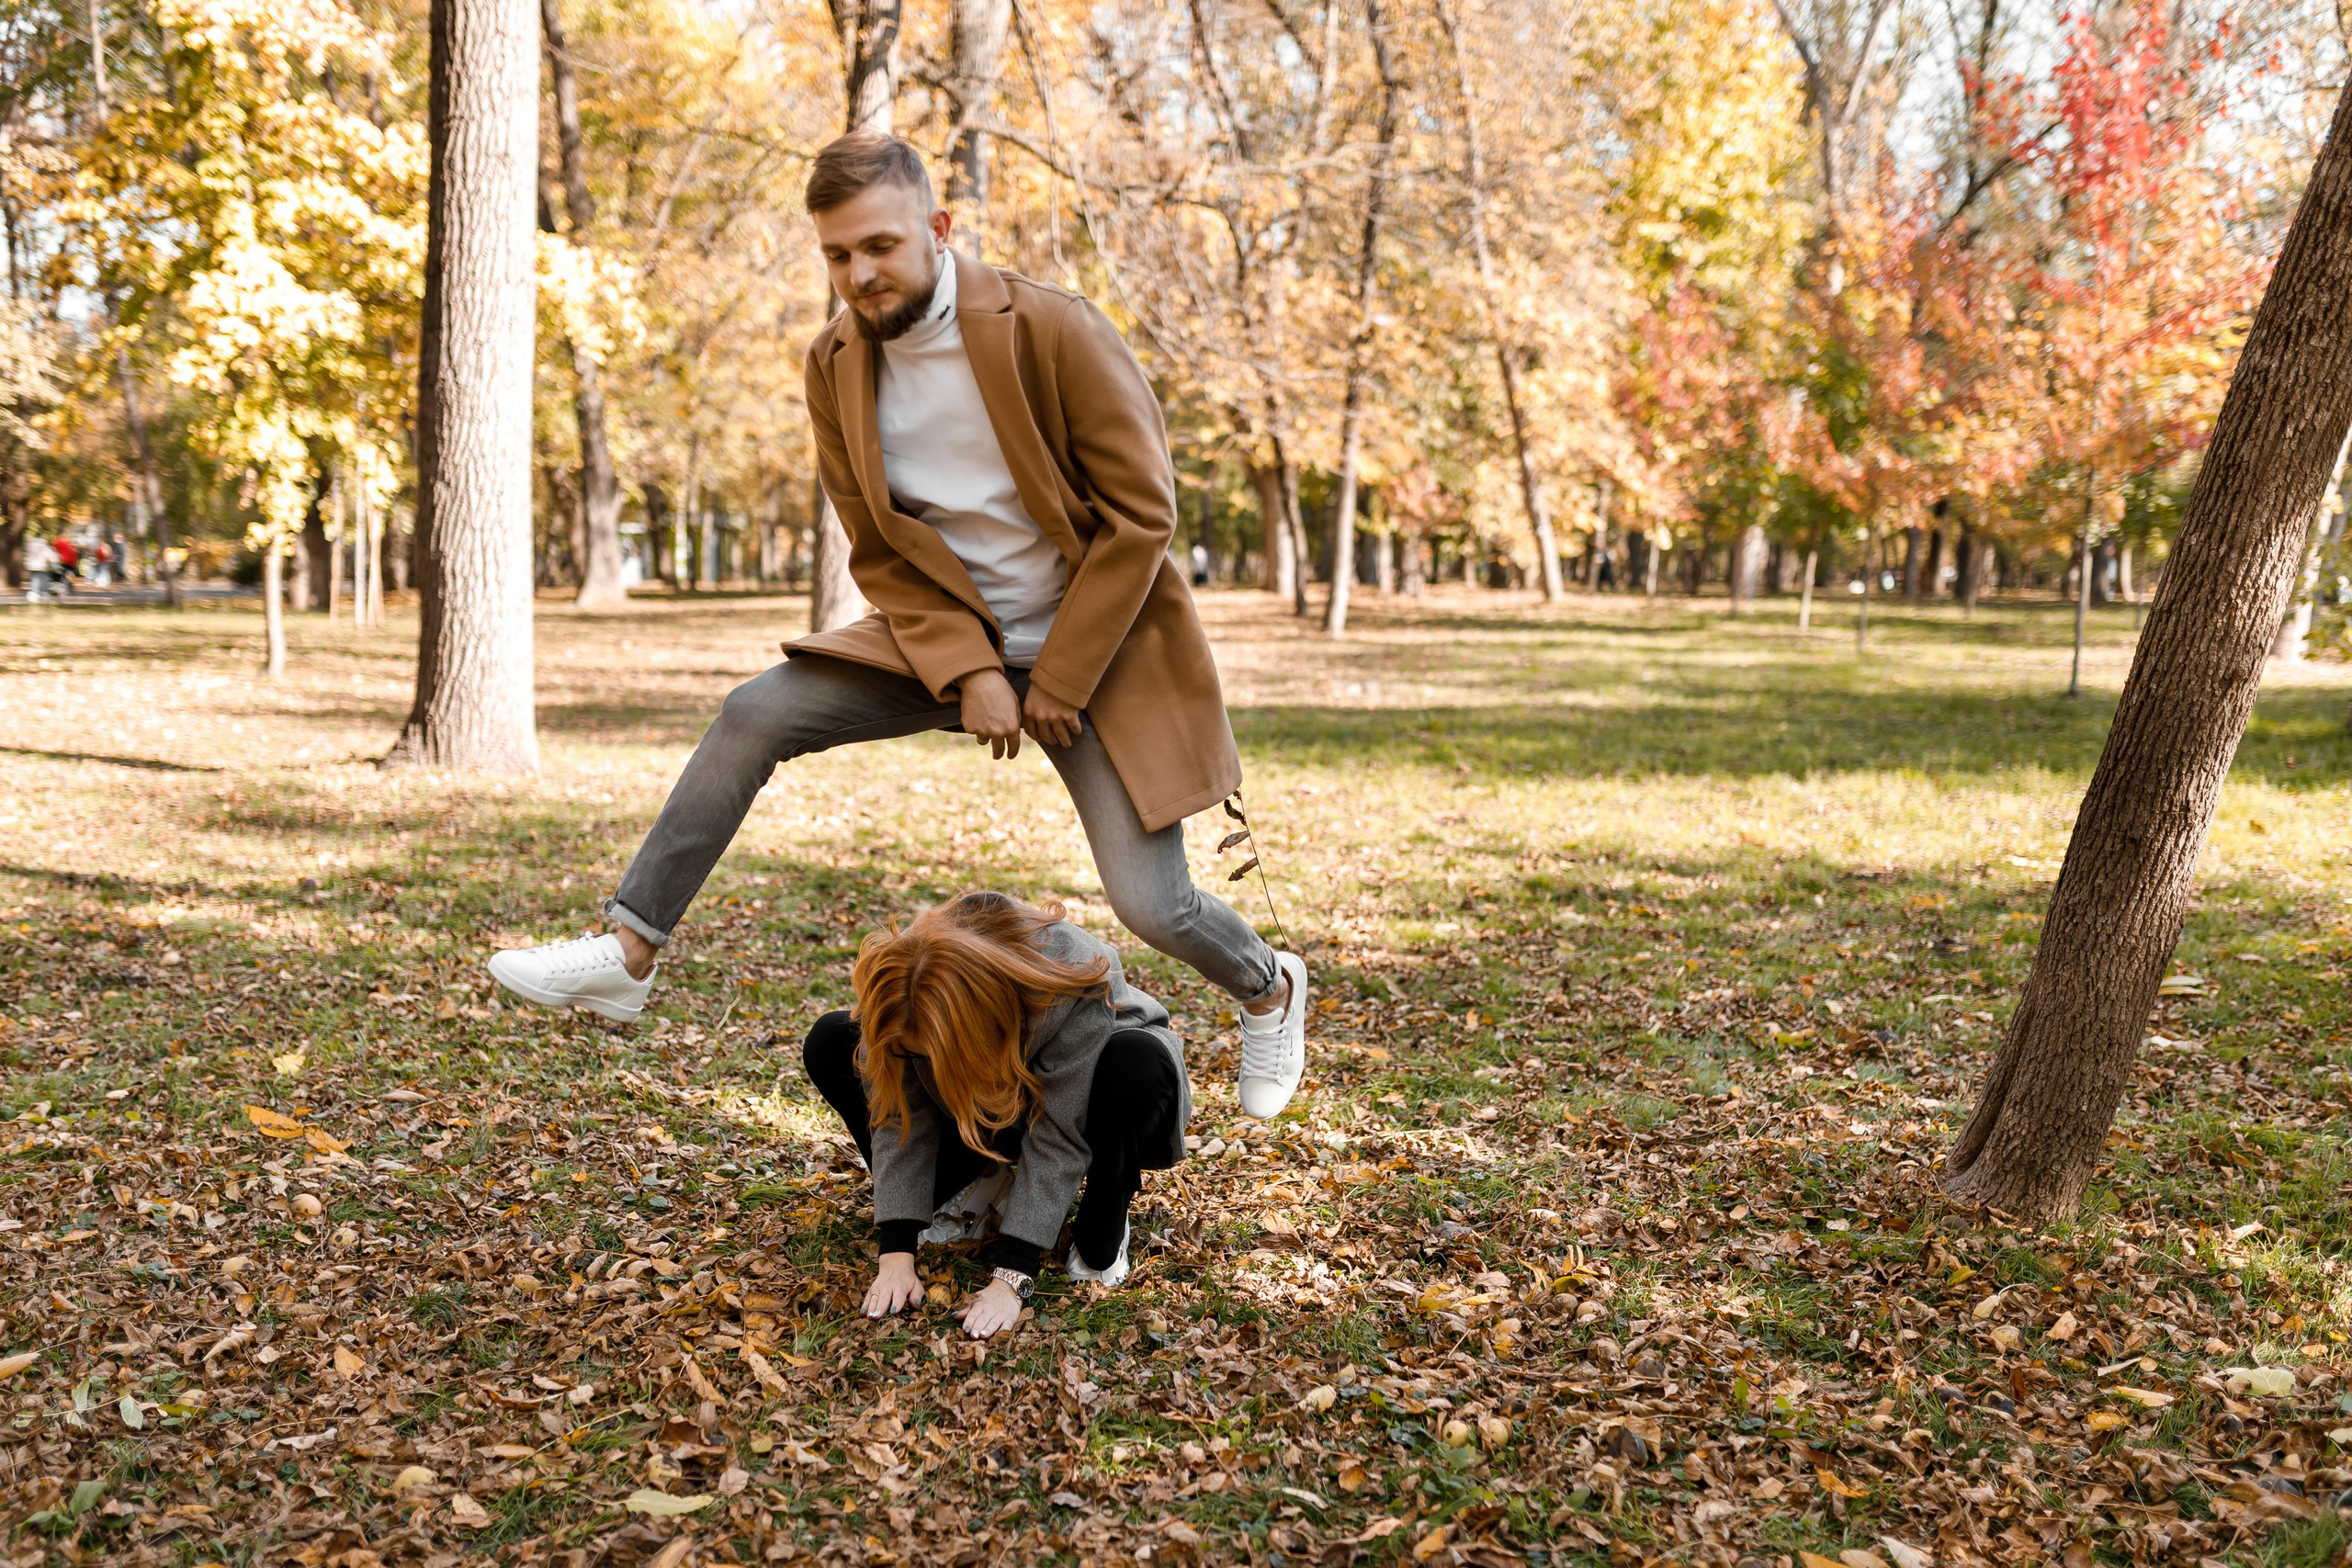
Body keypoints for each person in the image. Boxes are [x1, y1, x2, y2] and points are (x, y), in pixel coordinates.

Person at [489, 130, 1310, 1120]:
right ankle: (628, 949)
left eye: (879, 245)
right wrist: (972, 670)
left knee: (1154, 905)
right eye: (837, 255)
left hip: (1096, 650)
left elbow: (1143, 517)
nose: (859, 274)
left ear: (938, 227)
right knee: (755, 712)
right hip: (943, 640)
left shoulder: (1053, 327)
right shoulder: (833, 362)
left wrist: (1058, 678)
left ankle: (1270, 986)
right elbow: (878, 547)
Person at [803, 891, 1186, 1337]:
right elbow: (898, 1111)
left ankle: (1107, 1206)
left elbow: (1060, 1128)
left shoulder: (1076, 969)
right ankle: (983, 1172)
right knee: (833, 1037)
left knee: (1134, 1061)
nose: (924, 1063)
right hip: (991, 1096)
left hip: (1108, 1100)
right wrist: (896, 1254)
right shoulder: (901, 983)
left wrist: (1012, 1277)